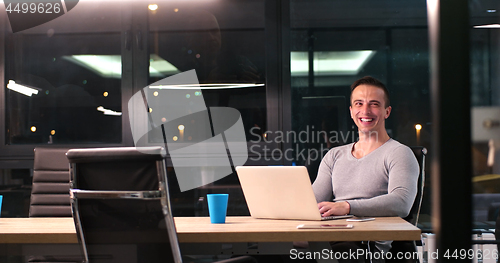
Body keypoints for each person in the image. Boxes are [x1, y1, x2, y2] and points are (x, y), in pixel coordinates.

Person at [312, 76, 419, 263]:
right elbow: (313, 201)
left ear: (387, 111)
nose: (365, 111)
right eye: (359, 104)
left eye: (374, 104)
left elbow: (402, 202)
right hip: (329, 236)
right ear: (351, 111)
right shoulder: (334, 155)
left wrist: (346, 207)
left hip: (367, 246)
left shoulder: (399, 153)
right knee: (270, 251)